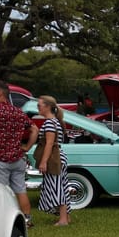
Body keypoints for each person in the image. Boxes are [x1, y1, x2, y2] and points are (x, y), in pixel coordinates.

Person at [0, 80, 38, 227]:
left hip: (0, 159)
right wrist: (26, 147)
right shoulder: (18, 111)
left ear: (0, 92)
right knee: (21, 190)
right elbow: (34, 129)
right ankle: (27, 220)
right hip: (18, 158)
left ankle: (1, 221)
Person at [35, 95, 71, 226]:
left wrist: (43, 162)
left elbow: (49, 144)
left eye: (39, 105)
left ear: (47, 107)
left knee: (57, 187)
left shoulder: (50, 122)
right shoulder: (56, 121)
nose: (37, 108)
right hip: (59, 157)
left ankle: (63, 220)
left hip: (54, 158)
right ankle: (66, 216)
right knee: (62, 186)